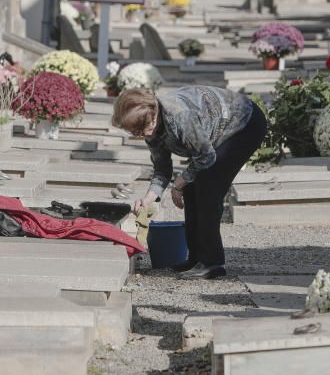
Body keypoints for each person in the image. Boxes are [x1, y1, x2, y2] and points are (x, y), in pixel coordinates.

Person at [112, 86, 268, 280]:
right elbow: (162, 168)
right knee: (193, 186)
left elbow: (206, 156)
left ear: (153, 114)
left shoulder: (180, 117)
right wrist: (149, 198)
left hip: (245, 124)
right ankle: (195, 258)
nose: (142, 135)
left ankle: (212, 263)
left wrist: (179, 183)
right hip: (215, 134)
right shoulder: (149, 125)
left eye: (142, 130)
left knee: (208, 185)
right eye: (136, 132)